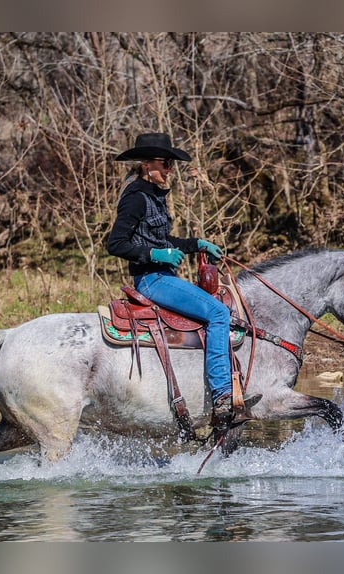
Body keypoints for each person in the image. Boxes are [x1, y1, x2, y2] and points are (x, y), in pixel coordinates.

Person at [107, 132, 259, 426]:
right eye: (165, 163)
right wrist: (155, 255)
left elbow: (164, 238)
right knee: (218, 313)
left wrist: (196, 244)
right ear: (146, 164)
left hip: (163, 276)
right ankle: (222, 396)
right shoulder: (136, 198)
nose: (169, 169)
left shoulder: (155, 197)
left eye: (171, 164)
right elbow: (116, 244)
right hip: (151, 280)